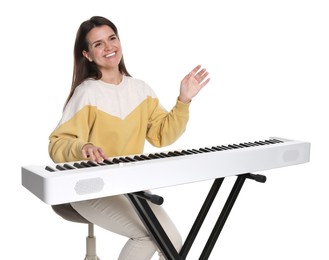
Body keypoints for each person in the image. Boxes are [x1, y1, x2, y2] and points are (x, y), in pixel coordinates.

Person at [48, 16, 210, 260]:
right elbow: (58, 143)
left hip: (129, 186)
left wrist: (183, 101)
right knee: (148, 236)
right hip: (92, 188)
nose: (109, 47)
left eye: (112, 39)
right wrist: (84, 146)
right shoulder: (87, 93)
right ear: (88, 55)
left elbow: (161, 135)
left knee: (174, 246)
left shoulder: (140, 90)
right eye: (98, 44)